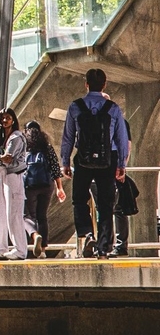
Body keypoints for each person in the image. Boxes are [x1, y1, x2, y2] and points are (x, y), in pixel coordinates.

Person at [60, 68, 131, 259]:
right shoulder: (113, 108)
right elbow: (121, 139)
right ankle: (104, 247)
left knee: (79, 199)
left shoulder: (75, 107)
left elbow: (67, 137)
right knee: (106, 205)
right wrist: (121, 165)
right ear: (104, 84)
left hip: (82, 160)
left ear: (86, 84)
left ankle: (87, 233)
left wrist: (65, 162)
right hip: (107, 160)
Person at [0, 108, 30, 260]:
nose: (5, 121)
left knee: (13, 213)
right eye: (2, 118)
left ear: (13, 120)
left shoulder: (17, 137)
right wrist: (0, 159)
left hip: (13, 176)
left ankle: (20, 249)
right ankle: (1, 247)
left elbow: (10, 160)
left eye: (8, 118)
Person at [21, 121, 64, 258]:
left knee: (27, 216)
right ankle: (43, 250)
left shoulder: (24, 147)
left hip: (29, 186)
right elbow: (55, 168)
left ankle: (35, 235)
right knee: (42, 217)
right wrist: (59, 188)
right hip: (47, 185)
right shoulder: (47, 147)